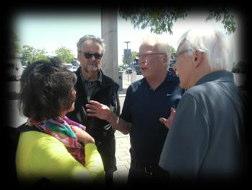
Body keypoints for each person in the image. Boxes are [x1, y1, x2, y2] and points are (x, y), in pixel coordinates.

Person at [85, 35, 184, 183]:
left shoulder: (183, 87)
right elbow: (126, 128)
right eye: (140, 55)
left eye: (147, 55)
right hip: (138, 171)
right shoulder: (134, 89)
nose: (141, 60)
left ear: (164, 59)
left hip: (171, 172)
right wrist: (109, 116)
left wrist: (179, 127)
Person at [159, 29, 246, 182]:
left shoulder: (195, 97)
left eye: (176, 58)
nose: (174, 67)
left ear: (196, 57)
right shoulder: (240, 94)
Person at [16, 58, 105, 185]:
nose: (75, 92)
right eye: (71, 88)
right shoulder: (46, 147)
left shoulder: (41, 125)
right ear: (56, 98)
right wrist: (90, 143)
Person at [67, 35, 120, 185]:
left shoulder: (111, 86)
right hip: (72, 156)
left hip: (103, 157)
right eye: (88, 54)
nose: (93, 59)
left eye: (97, 55)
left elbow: (117, 121)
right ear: (78, 55)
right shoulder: (66, 83)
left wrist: (109, 116)